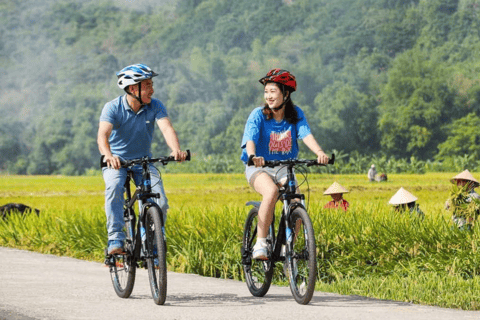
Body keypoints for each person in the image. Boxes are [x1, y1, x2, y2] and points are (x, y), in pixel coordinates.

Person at [97, 63, 188, 255]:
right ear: (132, 88)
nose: (152, 89)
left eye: (151, 84)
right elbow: (102, 136)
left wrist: (176, 150)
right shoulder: (112, 107)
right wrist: (108, 156)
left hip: (143, 162)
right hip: (117, 163)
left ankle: (152, 244)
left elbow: (166, 128)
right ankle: (115, 238)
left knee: (160, 202)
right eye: (147, 85)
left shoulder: (155, 105)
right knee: (114, 188)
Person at [240, 68, 329, 260]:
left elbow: (305, 134)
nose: (268, 96)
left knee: (297, 202)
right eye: (266, 92)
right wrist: (253, 155)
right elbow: (250, 139)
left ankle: (288, 247)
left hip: (284, 168)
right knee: (271, 192)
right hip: (259, 167)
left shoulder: (296, 114)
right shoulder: (258, 115)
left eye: (273, 91)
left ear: (286, 93)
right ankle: (261, 243)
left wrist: (320, 153)